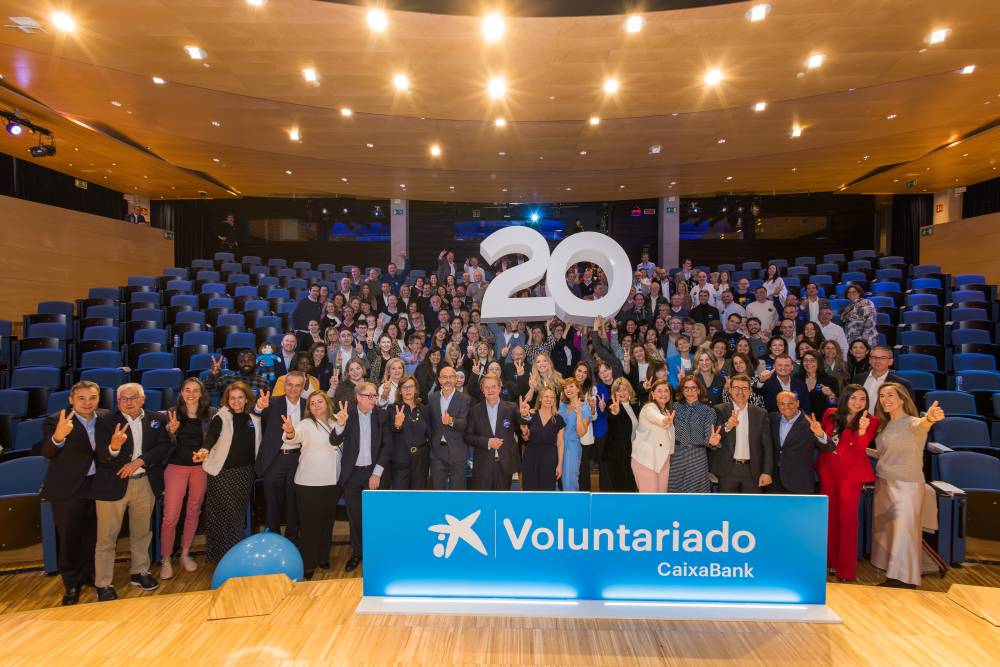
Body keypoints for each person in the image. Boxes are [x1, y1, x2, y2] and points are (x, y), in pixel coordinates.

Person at [91, 383, 170, 601]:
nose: (128, 402)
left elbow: (164, 446)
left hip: (145, 483)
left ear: (143, 399)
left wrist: (140, 461)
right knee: (106, 538)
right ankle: (103, 583)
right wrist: (114, 448)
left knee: (142, 532)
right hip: (112, 485)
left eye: (133, 397)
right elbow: (101, 457)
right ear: (117, 402)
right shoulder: (105, 422)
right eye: (123, 399)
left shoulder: (157, 419)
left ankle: (139, 572)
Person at [34, 381, 104, 606]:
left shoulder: (105, 418)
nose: (87, 402)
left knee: (92, 535)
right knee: (69, 537)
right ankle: (71, 583)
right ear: (71, 400)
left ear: (98, 399)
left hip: (96, 486)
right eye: (81, 398)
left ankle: (89, 574)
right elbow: (47, 451)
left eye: (92, 397)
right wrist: (58, 437)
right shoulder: (56, 420)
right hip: (67, 489)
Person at [870, 384, 944, 588]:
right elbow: (885, 455)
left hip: (906, 486)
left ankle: (907, 579)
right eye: (882, 395)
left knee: (905, 533)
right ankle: (894, 576)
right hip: (884, 482)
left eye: (891, 395)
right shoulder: (885, 426)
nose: (886, 399)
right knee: (892, 534)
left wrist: (930, 418)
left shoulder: (912, 423)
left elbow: (922, 425)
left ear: (902, 399)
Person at [330, 381, 392, 572]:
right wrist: (340, 425)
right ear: (359, 397)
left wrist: (376, 473)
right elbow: (334, 440)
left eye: (375, 395)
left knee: (376, 517)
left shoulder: (382, 416)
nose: (374, 399)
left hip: (375, 474)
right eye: (370, 396)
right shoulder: (347, 416)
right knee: (355, 518)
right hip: (353, 475)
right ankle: (357, 553)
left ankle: (377, 553)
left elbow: (387, 446)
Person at [818, 385, 877, 581]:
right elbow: (824, 440)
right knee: (829, 518)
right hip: (828, 469)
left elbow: (862, 447)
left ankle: (846, 569)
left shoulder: (871, 420)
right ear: (845, 398)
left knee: (847, 520)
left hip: (850, 475)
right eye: (854, 398)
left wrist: (861, 431)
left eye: (862, 399)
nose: (858, 403)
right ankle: (831, 563)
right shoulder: (830, 413)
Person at [283, 392, 342, 579]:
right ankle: (308, 564)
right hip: (309, 483)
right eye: (312, 403)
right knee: (310, 526)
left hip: (333, 481)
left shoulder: (336, 421)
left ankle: (323, 557)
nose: (316, 405)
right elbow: (293, 436)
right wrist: (290, 430)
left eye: (320, 401)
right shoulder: (306, 424)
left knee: (327, 522)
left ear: (327, 403)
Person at [200, 382, 261, 563]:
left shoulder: (253, 417)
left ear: (246, 399)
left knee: (237, 515)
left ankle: (230, 556)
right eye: (232, 398)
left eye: (240, 397)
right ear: (227, 400)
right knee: (225, 516)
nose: (236, 401)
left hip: (245, 473)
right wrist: (204, 450)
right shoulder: (221, 417)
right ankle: (228, 558)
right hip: (223, 474)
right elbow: (211, 436)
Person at [161, 378, 214, 580]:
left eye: (195, 390)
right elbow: (162, 445)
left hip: (200, 469)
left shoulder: (210, 413)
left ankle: (185, 553)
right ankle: (166, 558)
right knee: (171, 516)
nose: (191, 394)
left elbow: (214, 439)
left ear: (201, 393)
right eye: (187, 390)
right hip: (176, 468)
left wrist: (206, 453)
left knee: (194, 511)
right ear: (181, 392)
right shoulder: (172, 413)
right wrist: (170, 432)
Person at [253, 372, 308, 543]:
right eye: (290, 384)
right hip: (274, 459)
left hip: (298, 460)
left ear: (303, 387)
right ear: (284, 385)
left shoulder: (308, 405)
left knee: (294, 501)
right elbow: (256, 414)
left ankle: (292, 538)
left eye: (298, 385)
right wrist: (259, 407)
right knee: (272, 502)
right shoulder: (272, 402)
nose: (293, 388)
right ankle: (273, 539)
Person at [712, 375, 773, 493]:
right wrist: (727, 426)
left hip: (753, 470)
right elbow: (713, 439)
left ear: (750, 391)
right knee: (727, 508)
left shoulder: (761, 413)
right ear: (729, 390)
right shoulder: (719, 410)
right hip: (727, 470)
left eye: (744, 388)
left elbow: (767, 446)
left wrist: (767, 472)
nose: (740, 392)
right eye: (736, 388)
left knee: (752, 508)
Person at [767, 391, 836, 494]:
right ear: (777, 405)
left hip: (800, 483)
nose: (786, 407)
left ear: (797, 403)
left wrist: (820, 433)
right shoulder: (772, 419)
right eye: (782, 403)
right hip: (774, 483)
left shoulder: (809, 423)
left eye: (790, 403)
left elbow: (830, 447)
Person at [464, 373, 521, 490]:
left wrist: (526, 415)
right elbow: (467, 437)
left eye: (493, 386)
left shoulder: (511, 408)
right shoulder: (475, 411)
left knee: (502, 504)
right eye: (487, 387)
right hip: (483, 467)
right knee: (483, 503)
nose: (490, 390)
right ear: (483, 390)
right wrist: (488, 442)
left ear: (500, 388)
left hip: (505, 466)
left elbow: (523, 421)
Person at [670, 375, 722, 492]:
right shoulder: (674, 408)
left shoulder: (708, 411)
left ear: (699, 390)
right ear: (682, 391)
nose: (690, 391)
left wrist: (712, 441)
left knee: (696, 496)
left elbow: (709, 437)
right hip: (676, 456)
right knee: (674, 494)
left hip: (697, 457)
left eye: (693, 388)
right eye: (686, 388)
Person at [428, 364, 470, 490]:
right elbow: (429, 424)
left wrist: (451, 421)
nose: (447, 380)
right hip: (437, 452)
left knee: (457, 492)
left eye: (451, 377)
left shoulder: (465, 399)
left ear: (456, 379)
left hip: (457, 451)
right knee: (438, 491)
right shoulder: (432, 398)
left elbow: (464, 424)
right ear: (439, 380)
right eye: (444, 377)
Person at [629, 379, 676, 493]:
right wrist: (665, 420)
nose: (663, 394)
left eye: (666, 391)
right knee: (649, 502)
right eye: (659, 391)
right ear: (653, 394)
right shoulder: (649, 408)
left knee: (660, 501)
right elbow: (656, 417)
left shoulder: (666, 411)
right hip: (646, 461)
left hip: (663, 461)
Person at [389, 375, 432, 489]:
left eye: (411, 387)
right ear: (400, 391)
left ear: (416, 389)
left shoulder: (424, 409)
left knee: (418, 498)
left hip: (421, 461)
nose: (408, 390)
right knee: (400, 499)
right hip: (401, 461)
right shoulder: (393, 409)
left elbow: (429, 434)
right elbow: (392, 431)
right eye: (404, 387)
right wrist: (398, 425)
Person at [518, 388, 565, 491]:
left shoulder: (558, 419)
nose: (549, 399)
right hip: (531, 456)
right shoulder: (531, 414)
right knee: (529, 489)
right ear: (540, 399)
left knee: (547, 490)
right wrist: (525, 431)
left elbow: (560, 443)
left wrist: (560, 465)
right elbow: (526, 438)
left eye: (552, 397)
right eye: (546, 397)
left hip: (550, 458)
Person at [853, 345, 914, 414]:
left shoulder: (901, 384)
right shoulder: (858, 379)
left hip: (887, 423)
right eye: (874, 357)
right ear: (869, 360)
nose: (878, 361)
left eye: (883, 358)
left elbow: (908, 410)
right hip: (859, 421)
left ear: (890, 361)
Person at [557, 378, 593, 492]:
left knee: (569, 481)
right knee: (554, 480)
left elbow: (581, 432)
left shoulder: (585, 407)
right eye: (566, 387)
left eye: (571, 386)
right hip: (556, 445)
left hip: (572, 447)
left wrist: (578, 414)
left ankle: (571, 507)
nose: (568, 389)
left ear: (578, 389)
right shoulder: (561, 406)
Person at [203, 350, 271, 398]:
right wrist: (213, 375)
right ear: (237, 363)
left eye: (250, 360)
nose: (246, 363)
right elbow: (209, 387)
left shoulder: (263, 382)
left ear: (255, 362)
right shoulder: (228, 379)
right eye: (242, 361)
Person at [798, 351, 840, 420]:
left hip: (823, 420)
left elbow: (835, 405)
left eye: (812, 360)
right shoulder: (796, 379)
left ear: (819, 362)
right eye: (805, 360)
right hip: (801, 421)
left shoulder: (830, 380)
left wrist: (831, 395)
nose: (808, 363)